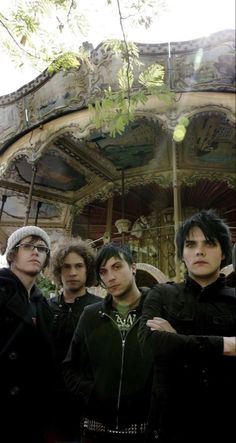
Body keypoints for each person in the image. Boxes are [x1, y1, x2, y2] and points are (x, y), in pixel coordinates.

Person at [138, 209, 236, 443]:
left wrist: (175, 338)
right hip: (170, 424)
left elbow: (165, 345)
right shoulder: (161, 295)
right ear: (182, 254)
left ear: (223, 253)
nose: (200, 251)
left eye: (209, 243)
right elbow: (149, 344)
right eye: (191, 244)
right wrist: (224, 345)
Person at [62, 242, 153, 443]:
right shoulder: (91, 315)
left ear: (133, 267)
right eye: (103, 272)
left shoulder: (156, 312)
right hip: (96, 430)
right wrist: (93, 393)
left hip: (145, 430)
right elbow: (69, 368)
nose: (110, 277)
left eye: (117, 267)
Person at [0, 225, 55, 443]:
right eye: (28, 246)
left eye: (42, 249)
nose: (36, 252)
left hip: (32, 414)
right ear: (12, 254)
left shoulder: (42, 305)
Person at [49, 238, 101, 442]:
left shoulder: (100, 308)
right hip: (52, 403)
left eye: (78, 266)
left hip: (87, 404)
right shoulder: (46, 307)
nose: (72, 273)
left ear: (87, 269)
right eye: (66, 267)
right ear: (58, 271)